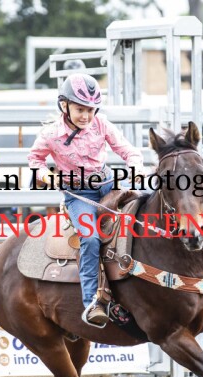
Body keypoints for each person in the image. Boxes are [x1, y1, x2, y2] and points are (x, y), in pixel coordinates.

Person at [28, 73, 144, 327]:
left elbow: (127, 150)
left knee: (142, 212)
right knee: (90, 239)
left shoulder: (101, 124)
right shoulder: (51, 134)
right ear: (64, 106)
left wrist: (135, 166)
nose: (86, 116)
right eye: (80, 109)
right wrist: (47, 176)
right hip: (78, 194)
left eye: (90, 110)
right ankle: (92, 301)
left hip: (108, 184)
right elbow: (35, 161)